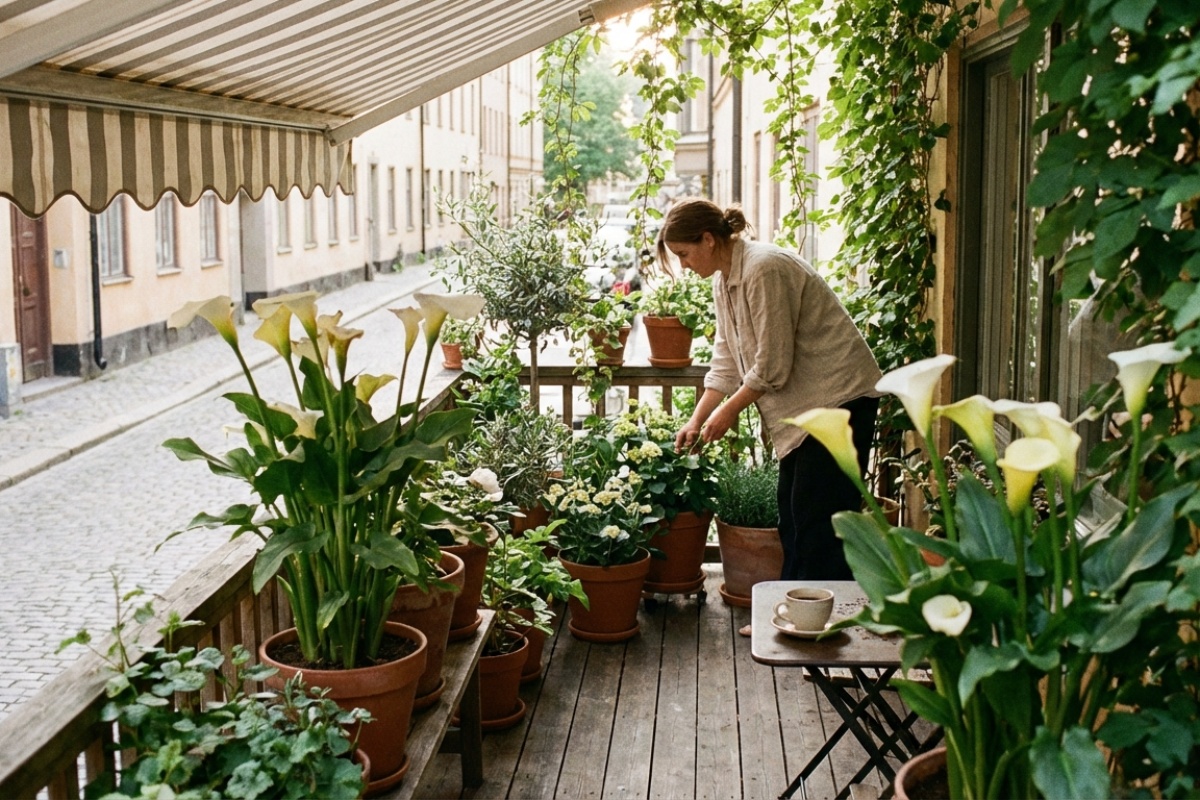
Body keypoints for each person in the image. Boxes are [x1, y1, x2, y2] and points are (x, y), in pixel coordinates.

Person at [657, 199, 882, 633]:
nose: (684, 265)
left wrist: (725, 415)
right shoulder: (725, 281)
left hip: (839, 402)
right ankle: (792, 619)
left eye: (684, 254)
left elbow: (772, 364)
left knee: (820, 521)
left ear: (708, 239)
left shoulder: (764, 268)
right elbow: (726, 360)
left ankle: (825, 630)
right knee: (793, 517)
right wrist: (697, 418)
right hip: (803, 414)